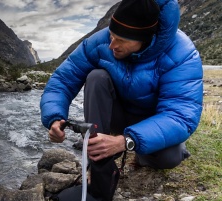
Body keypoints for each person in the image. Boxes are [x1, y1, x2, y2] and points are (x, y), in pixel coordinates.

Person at [40, 0, 203, 170]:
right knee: (96, 77)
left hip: (152, 119)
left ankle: (136, 151)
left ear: (145, 39)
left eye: (121, 40)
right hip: (116, 114)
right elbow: (63, 80)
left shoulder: (181, 54)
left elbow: (180, 116)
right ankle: (98, 159)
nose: (112, 45)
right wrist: (54, 117)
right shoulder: (101, 41)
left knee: (169, 158)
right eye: (111, 35)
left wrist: (126, 141)